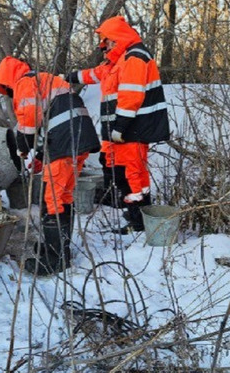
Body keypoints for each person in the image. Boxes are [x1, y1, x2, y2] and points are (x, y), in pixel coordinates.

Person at [0, 56, 100, 275]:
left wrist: (21, 148)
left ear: (7, 80)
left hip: (65, 141)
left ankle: (55, 258)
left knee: (52, 200)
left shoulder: (24, 83)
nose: (7, 93)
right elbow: (53, 120)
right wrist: (42, 156)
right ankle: (59, 250)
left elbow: (30, 122)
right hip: (77, 140)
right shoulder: (44, 80)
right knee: (63, 197)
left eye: (5, 88)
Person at [64, 15, 170, 234]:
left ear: (117, 39)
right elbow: (94, 74)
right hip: (120, 133)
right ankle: (136, 213)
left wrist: (120, 127)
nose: (105, 46)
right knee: (118, 170)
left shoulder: (134, 58)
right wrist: (69, 77)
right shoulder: (117, 62)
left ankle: (138, 221)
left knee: (132, 175)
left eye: (108, 41)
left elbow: (131, 96)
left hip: (131, 130)